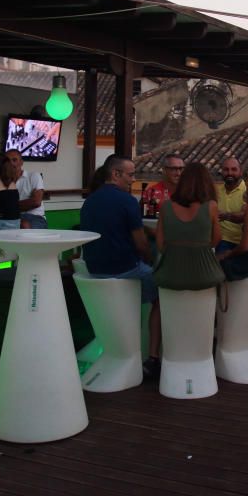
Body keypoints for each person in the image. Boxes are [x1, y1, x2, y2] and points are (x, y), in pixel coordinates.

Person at [80, 156, 160, 370]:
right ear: (115, 174)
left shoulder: (90, 201)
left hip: (94, 270)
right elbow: (141, 244)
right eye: (130, 174)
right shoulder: (127, 200)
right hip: (124, 269)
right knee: (163, 292)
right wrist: (151, 261)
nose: (133, 179)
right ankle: (153, 356)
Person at [153, 162, 225, 290]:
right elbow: (216, 238)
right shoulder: (211, 206)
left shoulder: (166, 206)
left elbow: (160, 244)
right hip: (204, 276)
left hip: (170, 275)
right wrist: (199, 248)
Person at [6, 148, 46, 229]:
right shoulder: (3, 182)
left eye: (14, 160)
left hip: (35, 218)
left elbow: (36, 202)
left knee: (23, 225)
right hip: (13, 218)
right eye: (7, 161)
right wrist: (27, 203)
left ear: (21, 162)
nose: (11, 163)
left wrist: (11, 206)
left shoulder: (34, 176)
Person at [216, 156, 247, 254]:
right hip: (220, 240)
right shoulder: (216, 190)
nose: (229, 173)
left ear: (241, 172)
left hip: (241, 242)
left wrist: (225, 215)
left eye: (234, 169)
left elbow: (245, 215)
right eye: (226, 170)